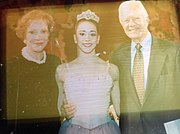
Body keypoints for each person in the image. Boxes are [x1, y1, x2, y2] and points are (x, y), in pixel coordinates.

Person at [110, 1, 180, 134]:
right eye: (126, 20)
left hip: (166, 129)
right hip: (131, 129)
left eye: (136, 18)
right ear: (121, 23)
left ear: (147, 19)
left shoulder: (173, 52)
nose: (131, 24)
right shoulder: (117, 56)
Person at [55, 9, 121, 134]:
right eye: (82, 33)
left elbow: (120, 111)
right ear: (75, 38)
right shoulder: (62, 71)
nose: (87, 39)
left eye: (92, 34)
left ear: (98, 38)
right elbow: (60, 110)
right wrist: (64, 111)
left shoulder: (112, 70)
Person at [6, 9, 60, 134]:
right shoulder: (11, 67)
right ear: (24, 36)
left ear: (48, 35)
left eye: (43, 31)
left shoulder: (55, 62)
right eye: (32, 32)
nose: (38, 37)